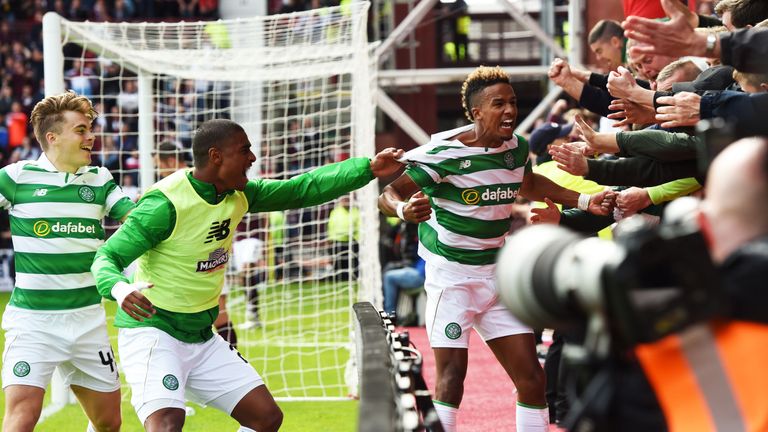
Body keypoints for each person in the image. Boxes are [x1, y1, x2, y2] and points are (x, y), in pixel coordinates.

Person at [91, 118, 403, 431]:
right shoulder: (164, 203)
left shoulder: (240, 194)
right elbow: (107, 256)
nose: (252, 158)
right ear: (216, 156)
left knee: (266, 418)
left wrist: (368, 169)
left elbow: (301, 190)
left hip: (201, 335)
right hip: (153, 331)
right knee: (167, 424)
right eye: (245, 150)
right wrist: (119, 289)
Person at [378, 66, 614, 432]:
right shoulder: (443, 153)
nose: (509, 111)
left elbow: (530, 183)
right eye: (498, 104)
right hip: (452, 277)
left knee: (532, 379)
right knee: (452, 379)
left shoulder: (517, 148)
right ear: (476, 113)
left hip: (496, 275)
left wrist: (585, 200)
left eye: (513, 103)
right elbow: (389, 194)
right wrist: (404, 210)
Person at [1, 91, 134, 432]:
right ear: (53, 137)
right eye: (81, 129)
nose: (91, 136)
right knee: (21, 418)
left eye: (90, 128)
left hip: (88, 321)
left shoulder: (100, 180)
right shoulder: (16, 177)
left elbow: (135, 220)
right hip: (33, 323)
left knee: (108, 423)